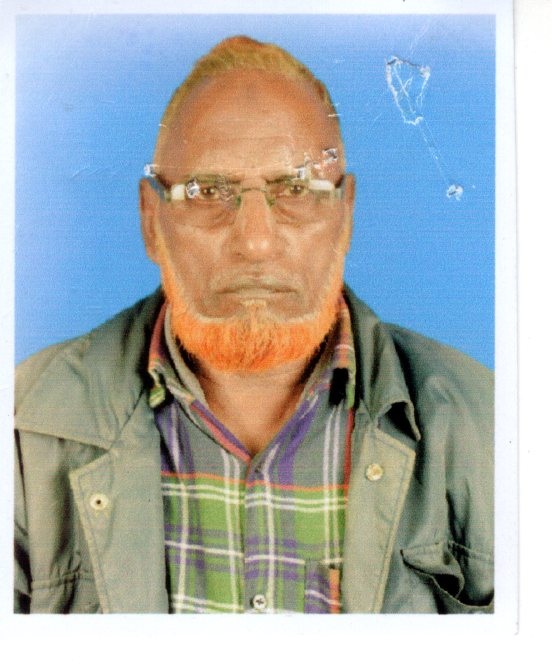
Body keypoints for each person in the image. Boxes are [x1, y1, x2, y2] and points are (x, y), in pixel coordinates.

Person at [14, 36, 493, 614]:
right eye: (208, 192)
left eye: (295, 189)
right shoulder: (22, 435)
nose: (256, 242)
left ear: (345, 216)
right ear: (151, 221)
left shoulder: (490, 429)